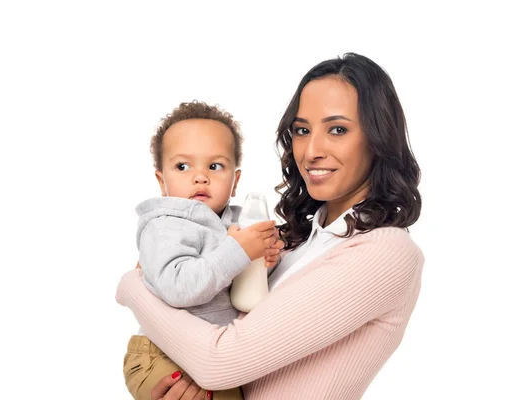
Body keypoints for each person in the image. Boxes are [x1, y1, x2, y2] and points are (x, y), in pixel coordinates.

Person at [117, 53, 424, 400]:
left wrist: (133, 286)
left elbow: (219, 361)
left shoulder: (386, 252)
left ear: (378, 138)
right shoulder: (292, 242)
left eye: (337, 129)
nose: (311, 151)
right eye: (302, 130)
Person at [122, 101, 283, 400]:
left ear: (235, 181)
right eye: (183, 166)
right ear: (162, 181)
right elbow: (179, 288)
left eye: (215, 166)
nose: (200, 176)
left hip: (215, 355)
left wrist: (265, 260)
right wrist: (238, 251)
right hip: (161, 355)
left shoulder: (238, 222)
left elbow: (243, 286)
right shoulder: (164, 225)